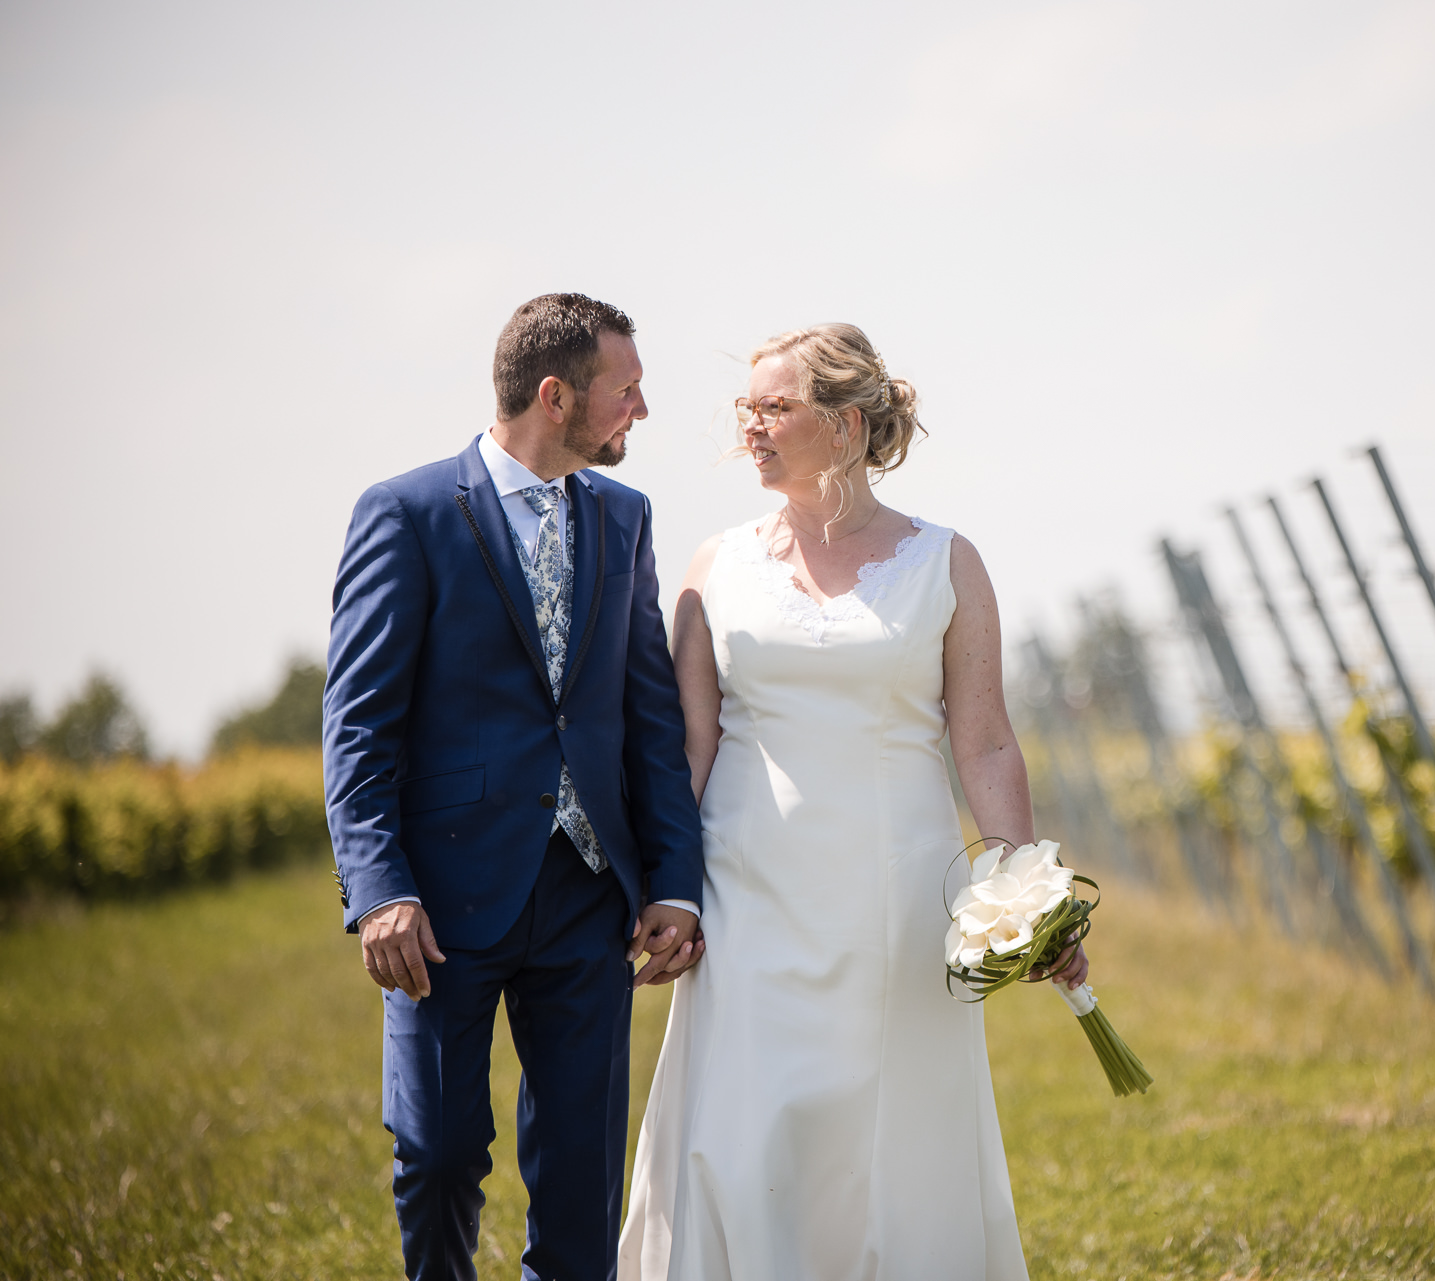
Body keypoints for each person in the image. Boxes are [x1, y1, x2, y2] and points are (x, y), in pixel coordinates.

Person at [618, 323, 1088, 1280]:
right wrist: (667, 887)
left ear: (846, 422)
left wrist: (1025, 896)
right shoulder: (714, 566)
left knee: (891, 1143)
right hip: (747, 897)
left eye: (774, 407)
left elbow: (986, 739)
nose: (750, 427)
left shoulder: (947, 562)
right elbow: (689, 747)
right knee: (743, 1139)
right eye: (746, 409)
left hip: (898, 907)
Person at [323, 293, 707, 1281]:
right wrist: (380, 892)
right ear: (556, 395)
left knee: (583, 1174)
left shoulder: (623, 517)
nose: (642, 412)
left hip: (588, 898)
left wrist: (671, 880)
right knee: (440, 1153)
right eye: (627, 390)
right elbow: (358, 724)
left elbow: (647, 713)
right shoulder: (405, 513)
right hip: (439, 903)